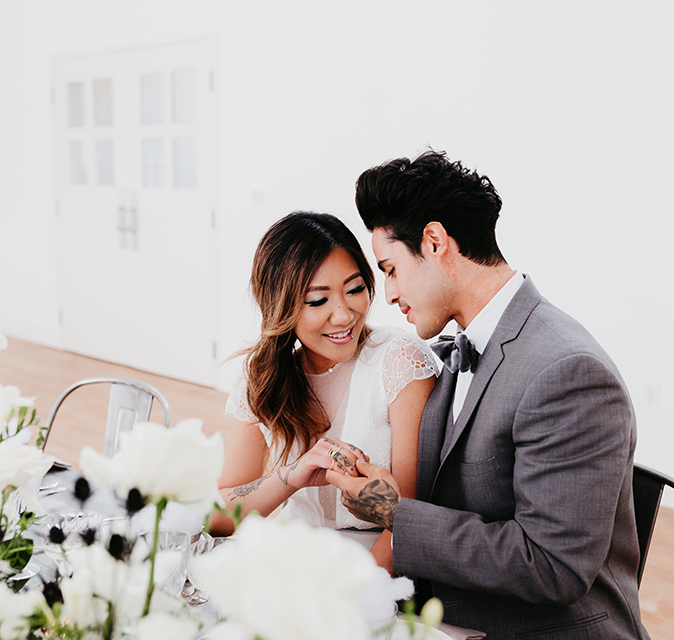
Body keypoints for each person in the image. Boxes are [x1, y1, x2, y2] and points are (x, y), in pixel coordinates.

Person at [327, 151, 650, 639]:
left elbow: (552, 567)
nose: (388, 294)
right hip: (443, 615)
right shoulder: (464, 345)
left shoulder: (568, 373)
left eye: (390, 269)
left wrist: (397, 513)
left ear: (434, 242)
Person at [211, 211, 438, 573]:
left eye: (355, 289)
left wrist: (350, 600)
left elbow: (408, 518)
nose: (344, 315)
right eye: (318, 301)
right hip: (290, 561)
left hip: (375, 572)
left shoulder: (399, 361)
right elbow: (220, 515)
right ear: (280, 305)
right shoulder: (262, 377)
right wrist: (292, 475)